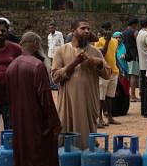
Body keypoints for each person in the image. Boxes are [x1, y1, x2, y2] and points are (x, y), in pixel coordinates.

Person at [6, 32, 63, 166]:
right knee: (41, 156)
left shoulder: (12, 66)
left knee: (21, 154)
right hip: (37, 119)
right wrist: (54, 121)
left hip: (17, 119)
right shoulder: (37, 66)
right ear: (37, 43)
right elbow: (45, 97)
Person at [52, 20, 112, 150]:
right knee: (65, 139)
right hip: (68, 104)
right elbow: (55, 77)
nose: (87, 31)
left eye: (88, 29)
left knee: (87, 139)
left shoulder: (95, 52)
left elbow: (108, 74)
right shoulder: (61, 51)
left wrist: (98, 63)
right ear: (73, 31)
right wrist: (74, 63)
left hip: (88, 103)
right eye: (83, 28)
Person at [96, 23, 120, 127]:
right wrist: (107, 40)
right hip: (103, 72)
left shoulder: (115, 41)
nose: (108, 31)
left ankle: (110, 117)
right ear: (102, 31)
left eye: (109, 29)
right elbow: (103, 53)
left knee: (110, 96)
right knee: (101, 97)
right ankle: (99, 118)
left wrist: (119, 69)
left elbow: (114, 55)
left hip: (114, 71)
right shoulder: (98, 42)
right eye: (105, 29)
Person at [122, 18, 140, 102]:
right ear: (134, 24)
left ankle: (127, 95)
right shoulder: (135, 32)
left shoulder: (123, 32)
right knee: (134, 75)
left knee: (127, 75)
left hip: (125, 55)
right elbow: (139, 43)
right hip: (133, 55)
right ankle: (133, 96)